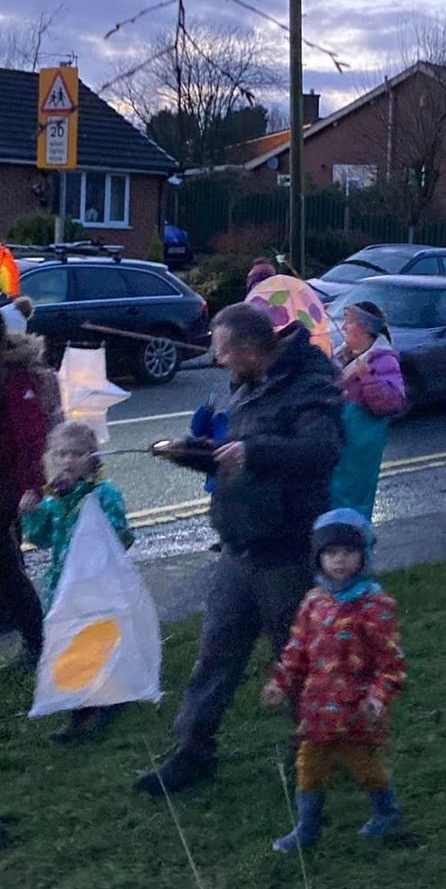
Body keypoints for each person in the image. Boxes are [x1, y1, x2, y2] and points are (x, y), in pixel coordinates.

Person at [137, 302, 344, 797]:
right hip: (239, 547)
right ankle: (192, 752)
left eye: (224, 351)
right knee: (215, 655)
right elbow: (235, 458)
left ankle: (317, 753)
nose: (218, 360)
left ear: (251, 350)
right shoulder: (249, 386)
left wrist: (256, 452)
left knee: (294, 658)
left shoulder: (310, 385)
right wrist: (193, 454)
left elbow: (323, 451)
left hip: (285, 550)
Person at [262, 509, 408, 851]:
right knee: (308, 766)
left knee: (365, 766)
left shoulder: (375, 606)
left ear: (363, 555)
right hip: (316, 709)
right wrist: (280, 683)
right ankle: (307, 827)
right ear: (318, 558)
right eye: (330, 554)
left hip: (358, 711)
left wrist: (378, 697)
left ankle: (386, 809)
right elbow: (297, 648)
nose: (339, 561)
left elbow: (391, 661)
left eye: (348, 552)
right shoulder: (314, 603)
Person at [20, 421, 131, 742]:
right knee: (70, 644)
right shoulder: (55, 499)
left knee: (94, 641)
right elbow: (41, 537)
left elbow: (119, 535)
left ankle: (97, 706)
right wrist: (32, 513)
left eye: (77, 454)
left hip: (95, 585)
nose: (68, 461)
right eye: (62, 454)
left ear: (92, 458)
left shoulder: (103, 494)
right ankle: (81, 706)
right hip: (64, 585)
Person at [0, 304, 60, 667]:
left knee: (7, 568)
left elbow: (30, 439)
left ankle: (37, 642)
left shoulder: (16, 376)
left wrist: (31, 489)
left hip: (7, 486)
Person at [329, 301, 407, 520]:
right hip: (339, 445)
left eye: (349, 322)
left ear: (364, 328)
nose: (343, 327)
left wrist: (367, 378)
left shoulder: (383, 359)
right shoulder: (340, 357)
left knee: (353, 502)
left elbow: (393, 402)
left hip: (360, 450)